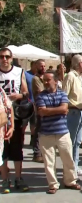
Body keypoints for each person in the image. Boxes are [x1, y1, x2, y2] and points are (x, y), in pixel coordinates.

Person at [36, 70, 81, 194]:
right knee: (49, 161)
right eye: (44, 80)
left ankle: (70, 181)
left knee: (68, 158)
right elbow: (41, 111)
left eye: (48, 80)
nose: (45, 82)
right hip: (46, 133)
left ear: (56, 81)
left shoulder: (63, 94)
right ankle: (53, 184)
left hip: (62, 133)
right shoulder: (40, 96)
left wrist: (49, 110)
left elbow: (64, 108)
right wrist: (58, 110)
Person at [0, 47, 30, 193]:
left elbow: (26, 92)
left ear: (11, 58)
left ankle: (18, 177)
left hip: (16, 114)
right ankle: (5, 179)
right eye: (1, 57)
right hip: (0, 115)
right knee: (2, 148)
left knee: (17, 147)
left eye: (7, 57)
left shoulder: (19, 72)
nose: (4, 59)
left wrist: (19, 96)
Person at [62, 54, 82, 177]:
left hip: (80, 112)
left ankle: (75, 167)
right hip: (72, 112)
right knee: (71, 142)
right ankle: (69, 169)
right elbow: (64, 95)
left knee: (77, 142)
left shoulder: (79, 77)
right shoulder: (70, 76)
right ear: (79, 64)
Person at [0, 81, 14, 193]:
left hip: (1, 132)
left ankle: (5, 180)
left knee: (2, 156)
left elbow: (9, 107)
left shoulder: (0, 91)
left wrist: (11, 126)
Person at [23, 61, 38, 161]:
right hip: (26, 104)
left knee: (34, 126)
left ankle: (33, 145)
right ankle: (20, 144)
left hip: (36, 105)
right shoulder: (26, 74)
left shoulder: (41, 77)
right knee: (23, 126)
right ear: (32, 65)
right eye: (37, 66)